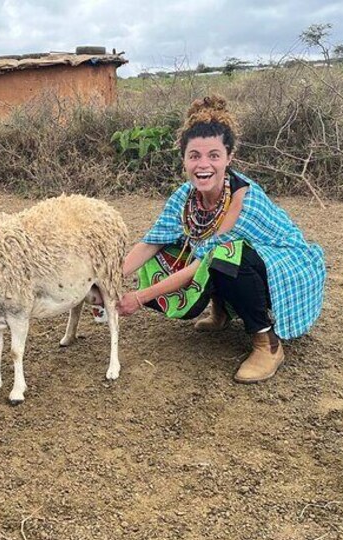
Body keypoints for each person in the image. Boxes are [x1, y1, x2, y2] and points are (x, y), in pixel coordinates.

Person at [117, 95, 325, 383]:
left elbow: (203, 264)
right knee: (174, 248)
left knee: (227, 254)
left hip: (286, 266)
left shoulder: (243, 198)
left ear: (229, 157)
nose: (204, 165)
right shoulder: (185, 196)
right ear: (184, 159)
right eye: (195, 156)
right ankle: (221, 311)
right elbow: (152, 241)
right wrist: (108, 279)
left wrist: (138, 298)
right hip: (232, 260)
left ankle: (267, 343)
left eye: (214, 155)